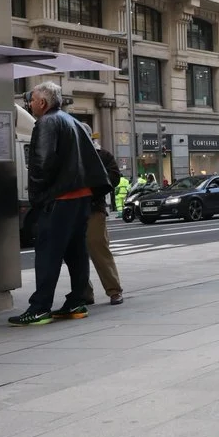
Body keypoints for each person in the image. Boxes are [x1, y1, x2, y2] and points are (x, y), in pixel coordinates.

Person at [10, 81, 110, 326]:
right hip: (81, 196)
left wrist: (38, 196)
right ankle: (76, 301)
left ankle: (39, 307)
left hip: (59, 198)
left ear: (42, 103)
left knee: (48, 254)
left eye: (32, 100)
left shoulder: (45, 123)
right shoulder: (73, 121)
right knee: (76, 252)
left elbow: (42, 163)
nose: (30, 104)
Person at [79, 124, 125, 305]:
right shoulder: (70, 155)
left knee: (97, 245)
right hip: (72, 208)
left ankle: (114, 290)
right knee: (76, 251)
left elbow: (113, 178)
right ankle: (83, 292)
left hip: (94, 207)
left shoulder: (103, 155)